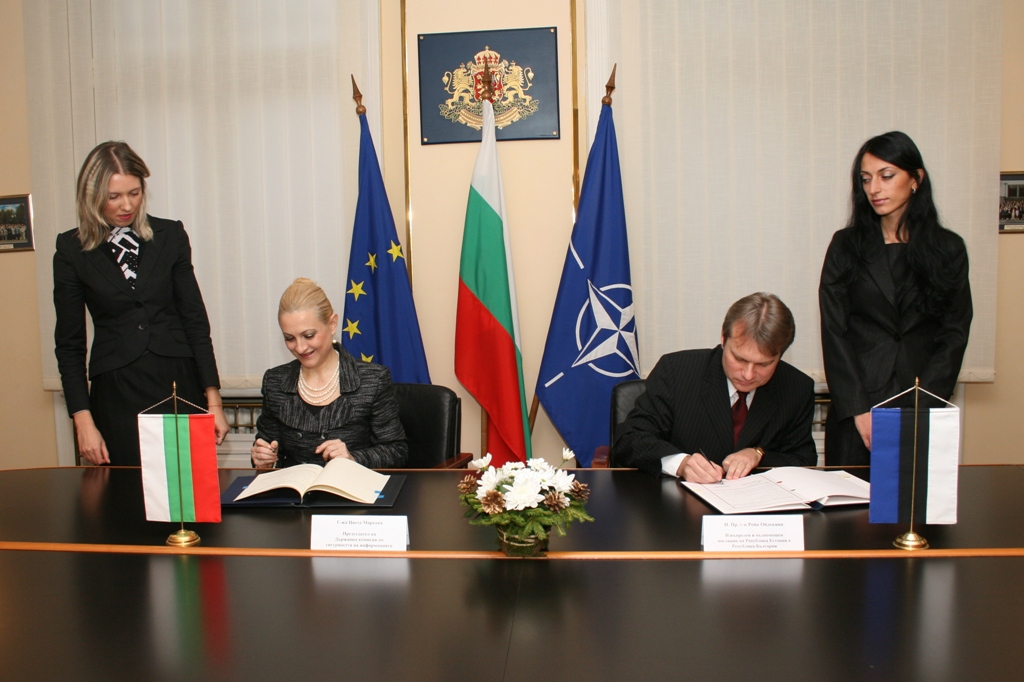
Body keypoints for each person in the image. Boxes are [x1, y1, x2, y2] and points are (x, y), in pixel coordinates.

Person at [54, 141, 229, 466]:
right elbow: (69, 345)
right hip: (116, 391)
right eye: (114, 196)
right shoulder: (70, 250)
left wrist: (213, 400)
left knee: (186, 501)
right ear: (91, 196)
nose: (126, 205)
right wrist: (83, 421)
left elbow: (194, 321)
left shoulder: (170, 235)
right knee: (124, 503)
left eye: (134, 193)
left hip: (177, 381)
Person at [819, 131, 972, 466]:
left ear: (915, 179)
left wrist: (921, 406)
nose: (874, 188)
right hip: (858, 409)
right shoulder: (845, 246)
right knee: (847, 514)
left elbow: (954, 334)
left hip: (920, 404)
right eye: (866, 179)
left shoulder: (949, 249)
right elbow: (835, 331)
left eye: (886, 176)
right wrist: (858, 408)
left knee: (915, 514)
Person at [611, 292, 816, 482]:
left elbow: (803, 460)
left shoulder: (796, 387)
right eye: (739, 358)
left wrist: (758, 454)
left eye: (764, 364)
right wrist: (680, 464)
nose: (748, 374)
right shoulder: (677, 371)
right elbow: (629, 440)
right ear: (723, 339)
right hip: (679, 509)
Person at [250, 278, 408, 469]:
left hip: (352, 494)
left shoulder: (373, 380)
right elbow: (267, 445)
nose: (300, 348)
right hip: (294, 496)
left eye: (309, 335)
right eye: (289, 338)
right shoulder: (275, 382)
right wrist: (262, 457)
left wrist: (353, 458)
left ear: (332, 324)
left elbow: (397, 451)